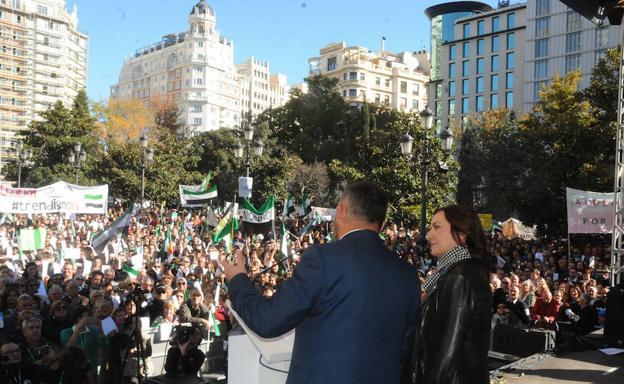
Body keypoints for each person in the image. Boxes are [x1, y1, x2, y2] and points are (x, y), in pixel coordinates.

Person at [223, 181, 421, 384]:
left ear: (341, 210)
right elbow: (404, 348)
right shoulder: (407, 275)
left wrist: (238, 279)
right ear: (383, 222)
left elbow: (268, 320)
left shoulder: (323, 259)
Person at [411, 205, 492, 384]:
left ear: (462, 234)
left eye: (437, 227)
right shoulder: (451, 274)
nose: (428, 235)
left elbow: (447, 353)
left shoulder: (461, 277)